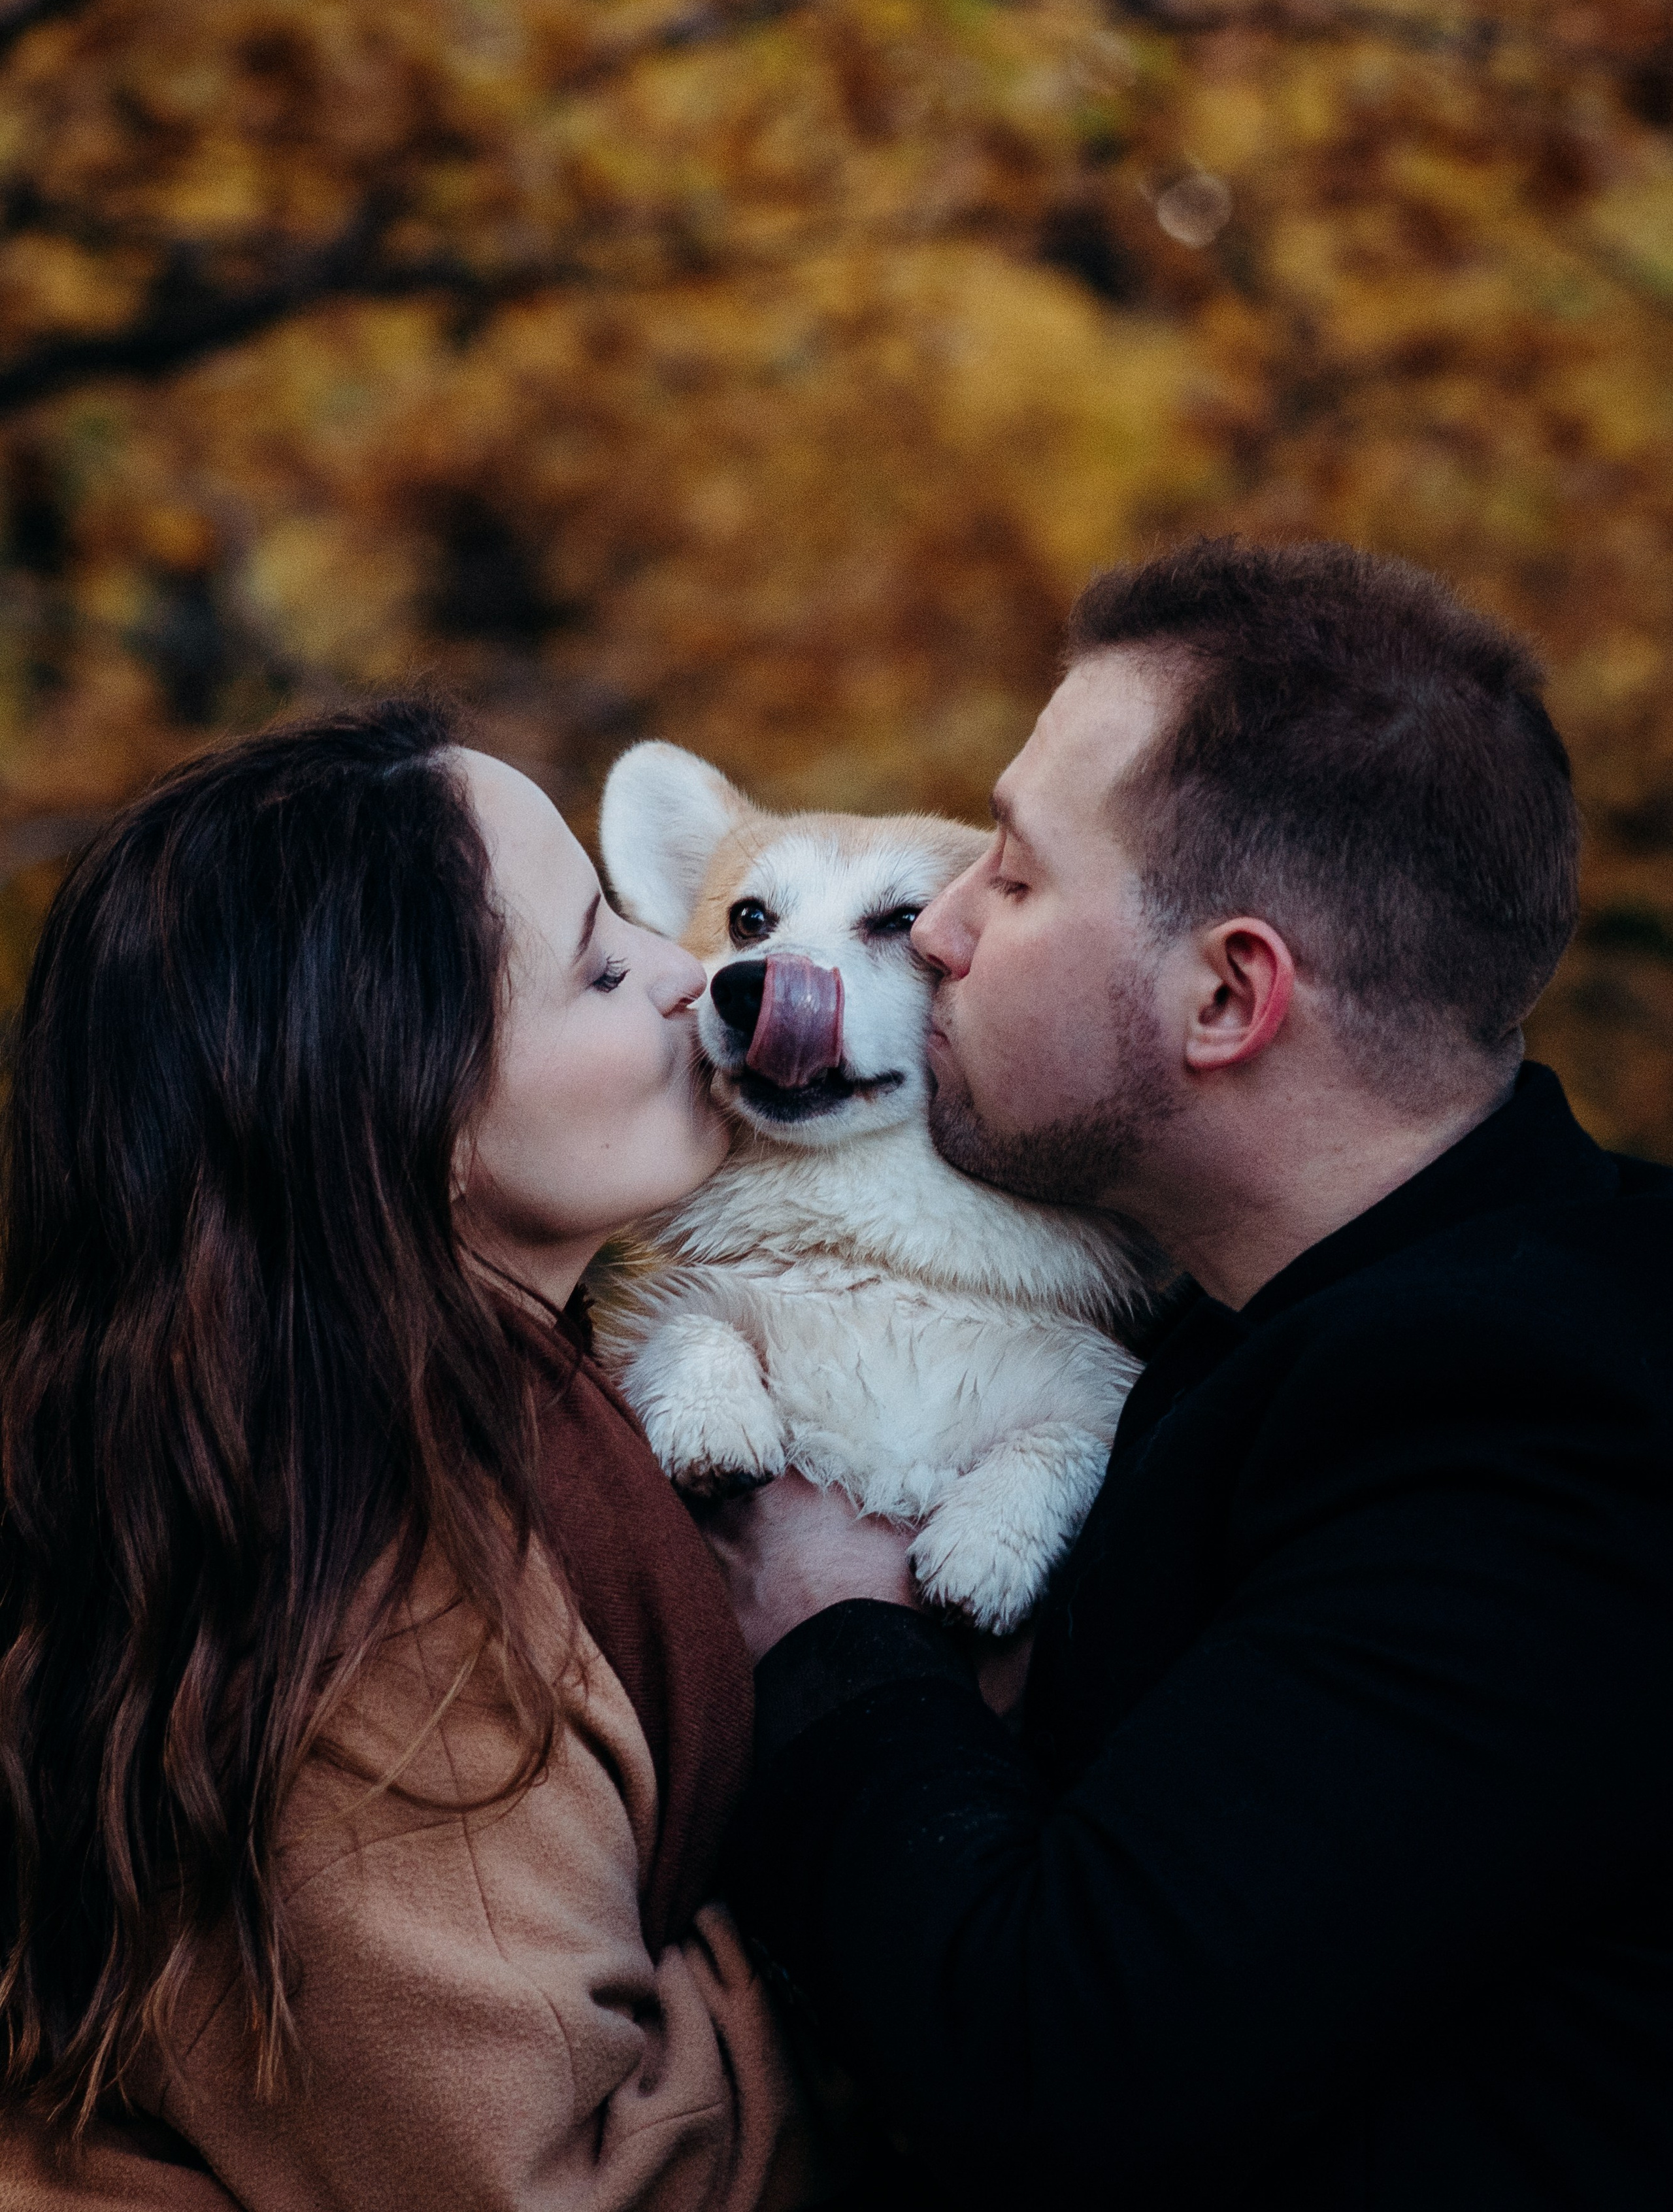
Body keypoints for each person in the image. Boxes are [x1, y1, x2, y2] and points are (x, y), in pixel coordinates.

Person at [705, 538, 1673, 2212]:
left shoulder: (1543, 1428)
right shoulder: (1268, 1313)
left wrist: (827, 1617)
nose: (941, 928)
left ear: (1226, 995)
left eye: (1014, 879)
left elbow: (1055, 2059)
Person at [0, 702, 822, 2212]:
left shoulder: (328, 1446)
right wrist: (894, 1892)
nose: (681, 970)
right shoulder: (376, 1585)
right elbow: (554, 2189)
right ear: (415, 1110)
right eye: (597, 966)